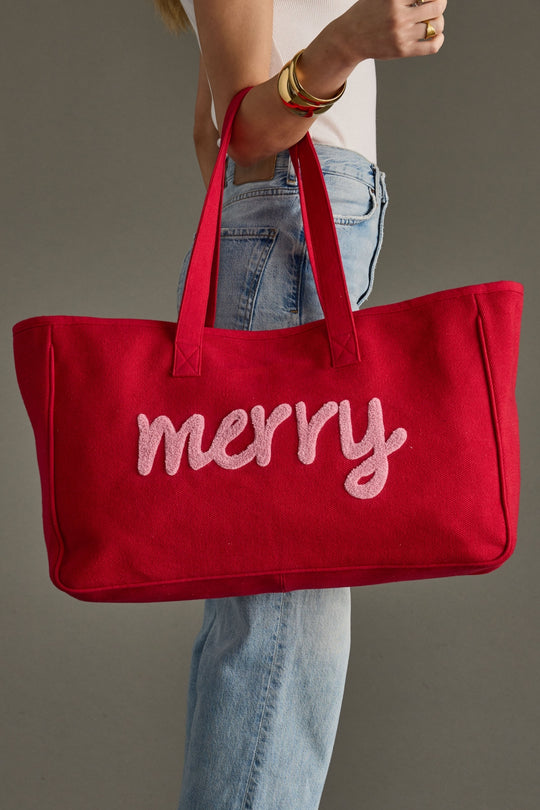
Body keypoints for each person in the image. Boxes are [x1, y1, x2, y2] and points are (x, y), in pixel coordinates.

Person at [154, 2, 447, 808]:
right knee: (283, 640)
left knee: (274, 632)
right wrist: (349, 41)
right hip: (291, 228)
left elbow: (212, 127)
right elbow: (243, 133)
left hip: (296, 226)